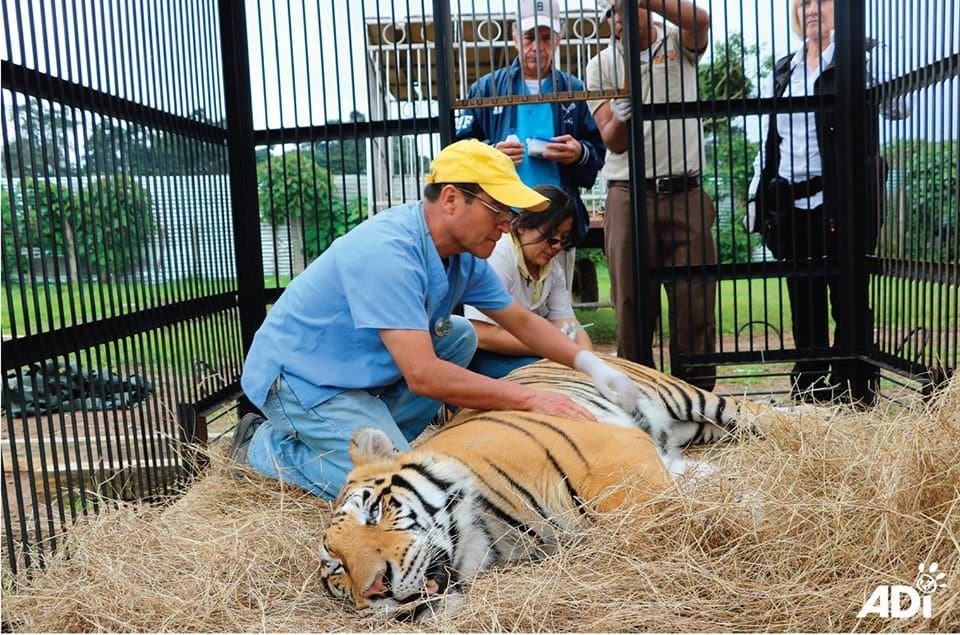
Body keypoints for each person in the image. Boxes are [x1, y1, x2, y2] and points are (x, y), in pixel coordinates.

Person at [232, 139, 640, 500]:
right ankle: (264, 447)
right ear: (450, 199)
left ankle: (382, 435)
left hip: (348, 369)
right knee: (397, 487)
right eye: (497, 208)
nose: (506, 224)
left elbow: (523, 322)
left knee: (459, 335)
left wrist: (590, 365)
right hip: (302, 380)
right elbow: (424, 376)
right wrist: (533, 398)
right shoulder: (388, 252)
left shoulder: (463, 256)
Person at [746, 0, 910, 403]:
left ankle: (855, 393)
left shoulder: (858, 59)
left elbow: (900, 107)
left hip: (842, 203)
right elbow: (771, 141)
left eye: (822, 1)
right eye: (804, 3)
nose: (812, 10)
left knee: (849, 300)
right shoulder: (784, 70)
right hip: (791, 205)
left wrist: (867, 55)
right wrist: (757, 194)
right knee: (805, 304)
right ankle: (811, 394)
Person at [585, 0, 717, 391]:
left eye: (625, 7)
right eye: (611, 11)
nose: (618, 17)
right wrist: (623, 113)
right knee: (631, 305)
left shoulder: (679, 41)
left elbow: (702, 20)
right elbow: (614, 142)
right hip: (628, 192)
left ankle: (696, 398)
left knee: (695, 302)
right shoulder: (601, 64)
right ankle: (640, 400)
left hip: (684, 188)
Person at [455, 0, 605, 293]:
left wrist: (579, 154)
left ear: (559, 40)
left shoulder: (573, 90)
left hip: (557, 227)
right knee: (498, 307)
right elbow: (459, 152)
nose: (537, 46)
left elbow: (597, 153)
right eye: (529, 37)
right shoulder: (487, 89)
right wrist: (491, 153)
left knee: (555, 304)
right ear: (514, 38)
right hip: (501, 223)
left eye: (546, 37)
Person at [464, 185, 594, 379]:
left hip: (531, 350)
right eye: (550, 237)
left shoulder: (553, 269)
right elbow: (480, 333)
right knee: (555, 376)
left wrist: (590, 361)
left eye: (564, 239)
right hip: (485, 356)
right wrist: (550, 347)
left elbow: (568, 322)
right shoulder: (500, 254)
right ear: (522, 225)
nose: (557, 246)